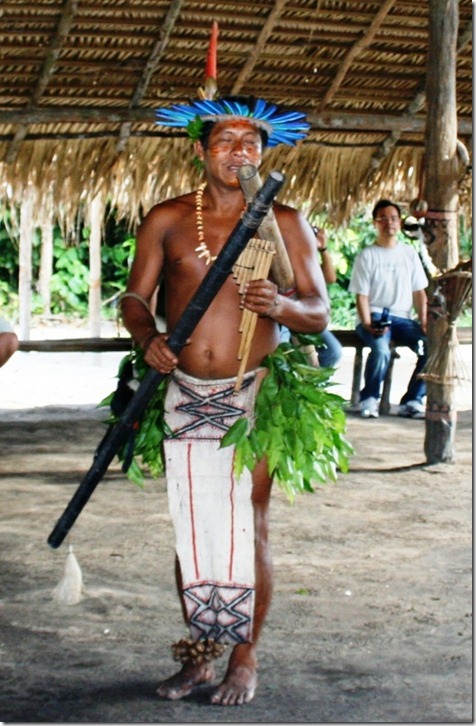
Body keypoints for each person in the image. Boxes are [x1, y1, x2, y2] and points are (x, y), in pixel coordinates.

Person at [120, 95, 330, 706]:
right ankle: (201, 655)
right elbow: (134, 299)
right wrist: (148, 337)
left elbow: (318, 311)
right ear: (201, 150)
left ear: (263, 152)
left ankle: (244, 657)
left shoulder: (284, 222)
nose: (240, 152)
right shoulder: (167, 219)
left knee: (247, 526)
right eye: (226, 141)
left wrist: (282, 306)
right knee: (193, 530)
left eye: (250, 142)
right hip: (183, 390)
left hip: (254, 390)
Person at [348, 199, 428, 419]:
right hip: (374, 314)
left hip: (403, 318)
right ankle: (369, 399)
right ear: (375, 223)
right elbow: (361, 296)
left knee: (430, 347)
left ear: (400, 222)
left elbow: (419, 291)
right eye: (383, 218)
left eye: (393, 218)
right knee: (381, 350)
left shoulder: (409, 253)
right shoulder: (367, 255)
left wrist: (424, 320)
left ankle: (413, 400)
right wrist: (367, 323)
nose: (389, 223)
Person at [280, 226, 342, 368]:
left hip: (304, 315)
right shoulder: (283, 251)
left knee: (333, 351)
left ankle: (314, 384)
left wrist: (323, 249)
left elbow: (330, 278)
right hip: (281, 317)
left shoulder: (305, 258)